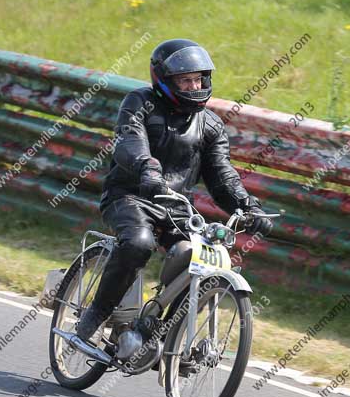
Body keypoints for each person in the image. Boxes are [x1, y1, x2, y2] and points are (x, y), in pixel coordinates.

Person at [74, 38, 273, 342]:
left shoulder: (210, 125)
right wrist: (147, 168)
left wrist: (247, 206)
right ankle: (98, 312)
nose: (194, 86)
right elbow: (129, 141)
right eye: (185, 80)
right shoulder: (139, 103)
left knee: (206, 259)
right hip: (130, 196)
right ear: (165, 80)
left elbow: (221, 173)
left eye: (198, 79)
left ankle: (162, 331)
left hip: (178, 210)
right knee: (139, 243)